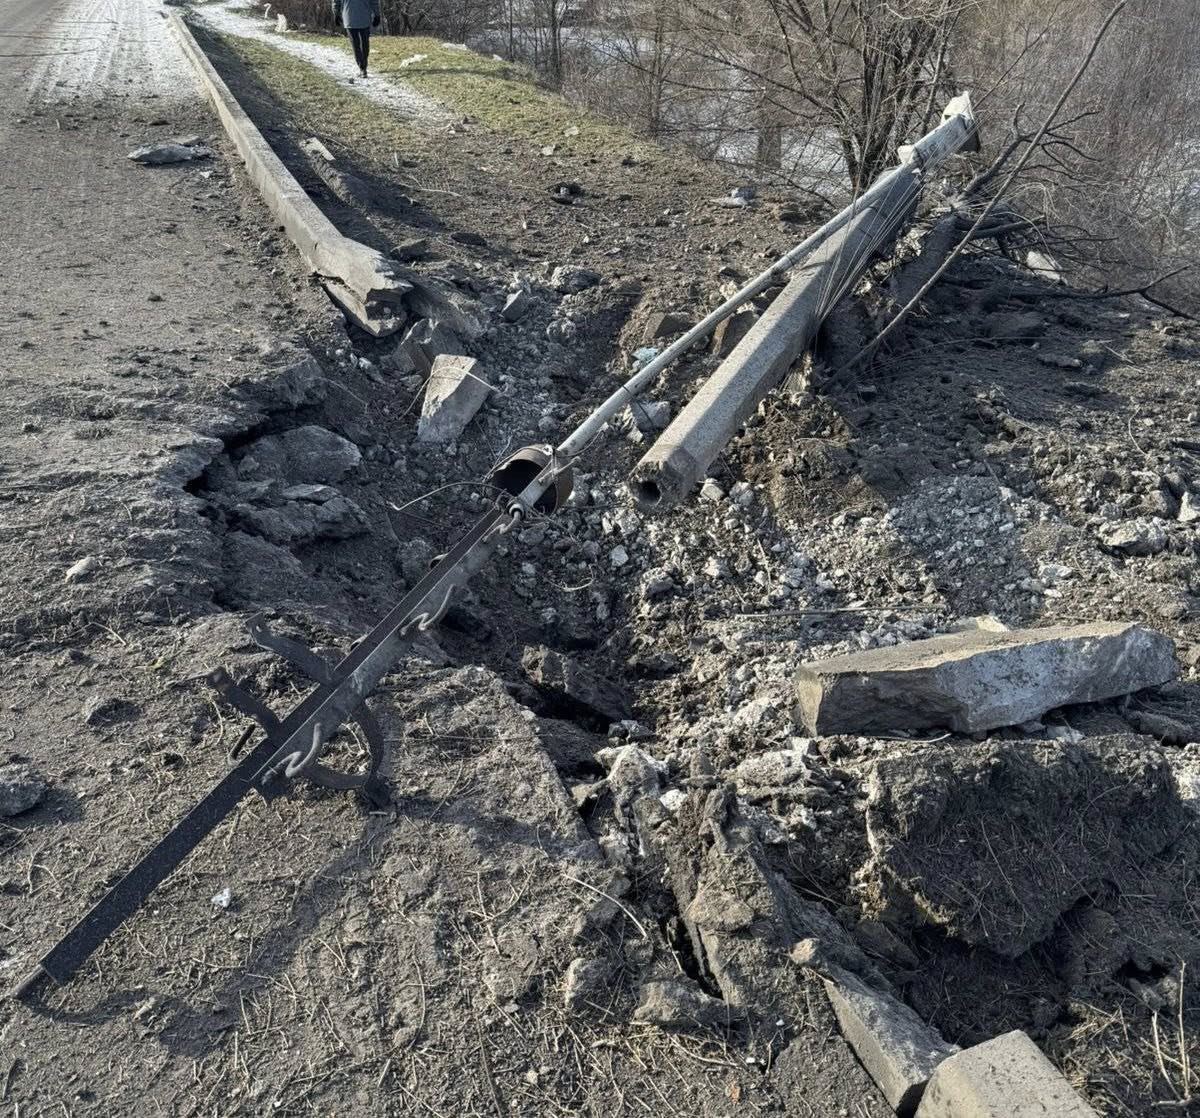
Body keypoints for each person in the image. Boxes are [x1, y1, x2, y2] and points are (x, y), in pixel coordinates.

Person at [332, 0, 381, 79]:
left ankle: (362, 67)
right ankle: (363, 66)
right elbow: (373, 1)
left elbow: (336, 1)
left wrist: (336, 13)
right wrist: (377, 14)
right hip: (364, 17)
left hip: (349, 17)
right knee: (365, 43)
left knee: (355, 44)